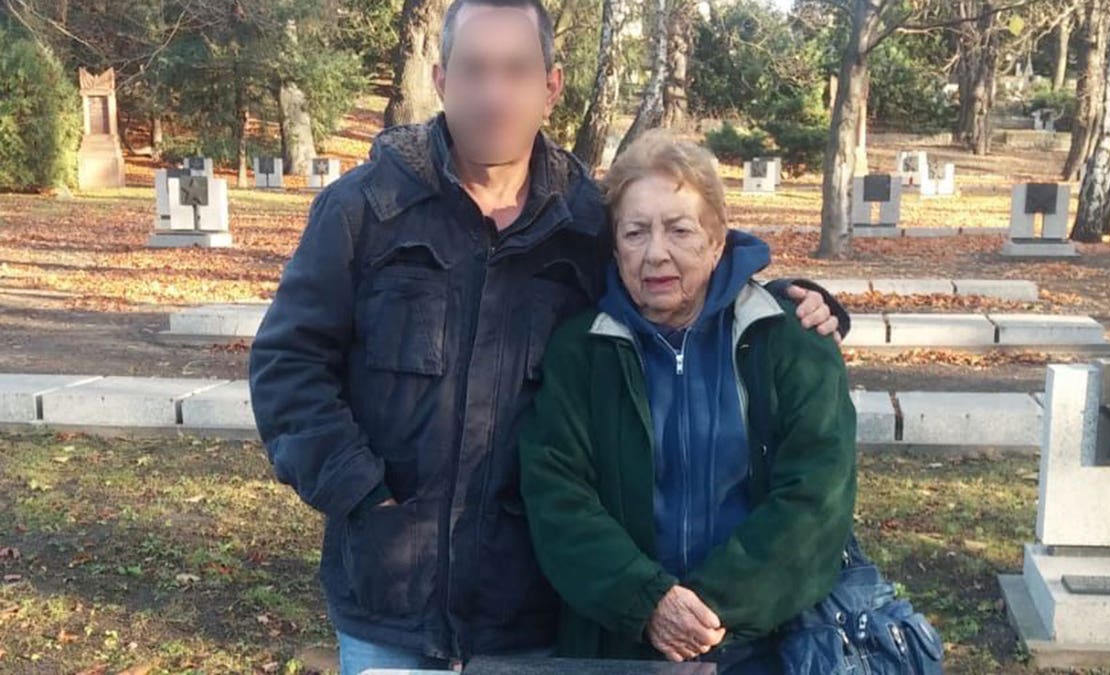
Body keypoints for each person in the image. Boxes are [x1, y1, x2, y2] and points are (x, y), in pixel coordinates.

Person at [248, 0, 848, 671]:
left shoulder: (586, 222)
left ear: (550, 86)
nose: (494, 94)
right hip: (390, 600)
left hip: (527, 612)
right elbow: (287, 365)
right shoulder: (364, 210)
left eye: (516, 70)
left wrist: (792, 301)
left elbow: (678, 268)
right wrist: (361, 491)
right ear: (442, 80)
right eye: (474, 70)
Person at [519, 132, 858, 673]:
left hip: (765, 646)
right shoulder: (581, 351)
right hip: (617, 644)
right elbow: (557, 497)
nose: (656, 252)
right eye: (635, 232)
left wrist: (709, 612)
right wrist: (649, 602)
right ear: (615, 247)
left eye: (680, 229)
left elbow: (817, 496)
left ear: (718, 240)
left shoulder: (788, 339)